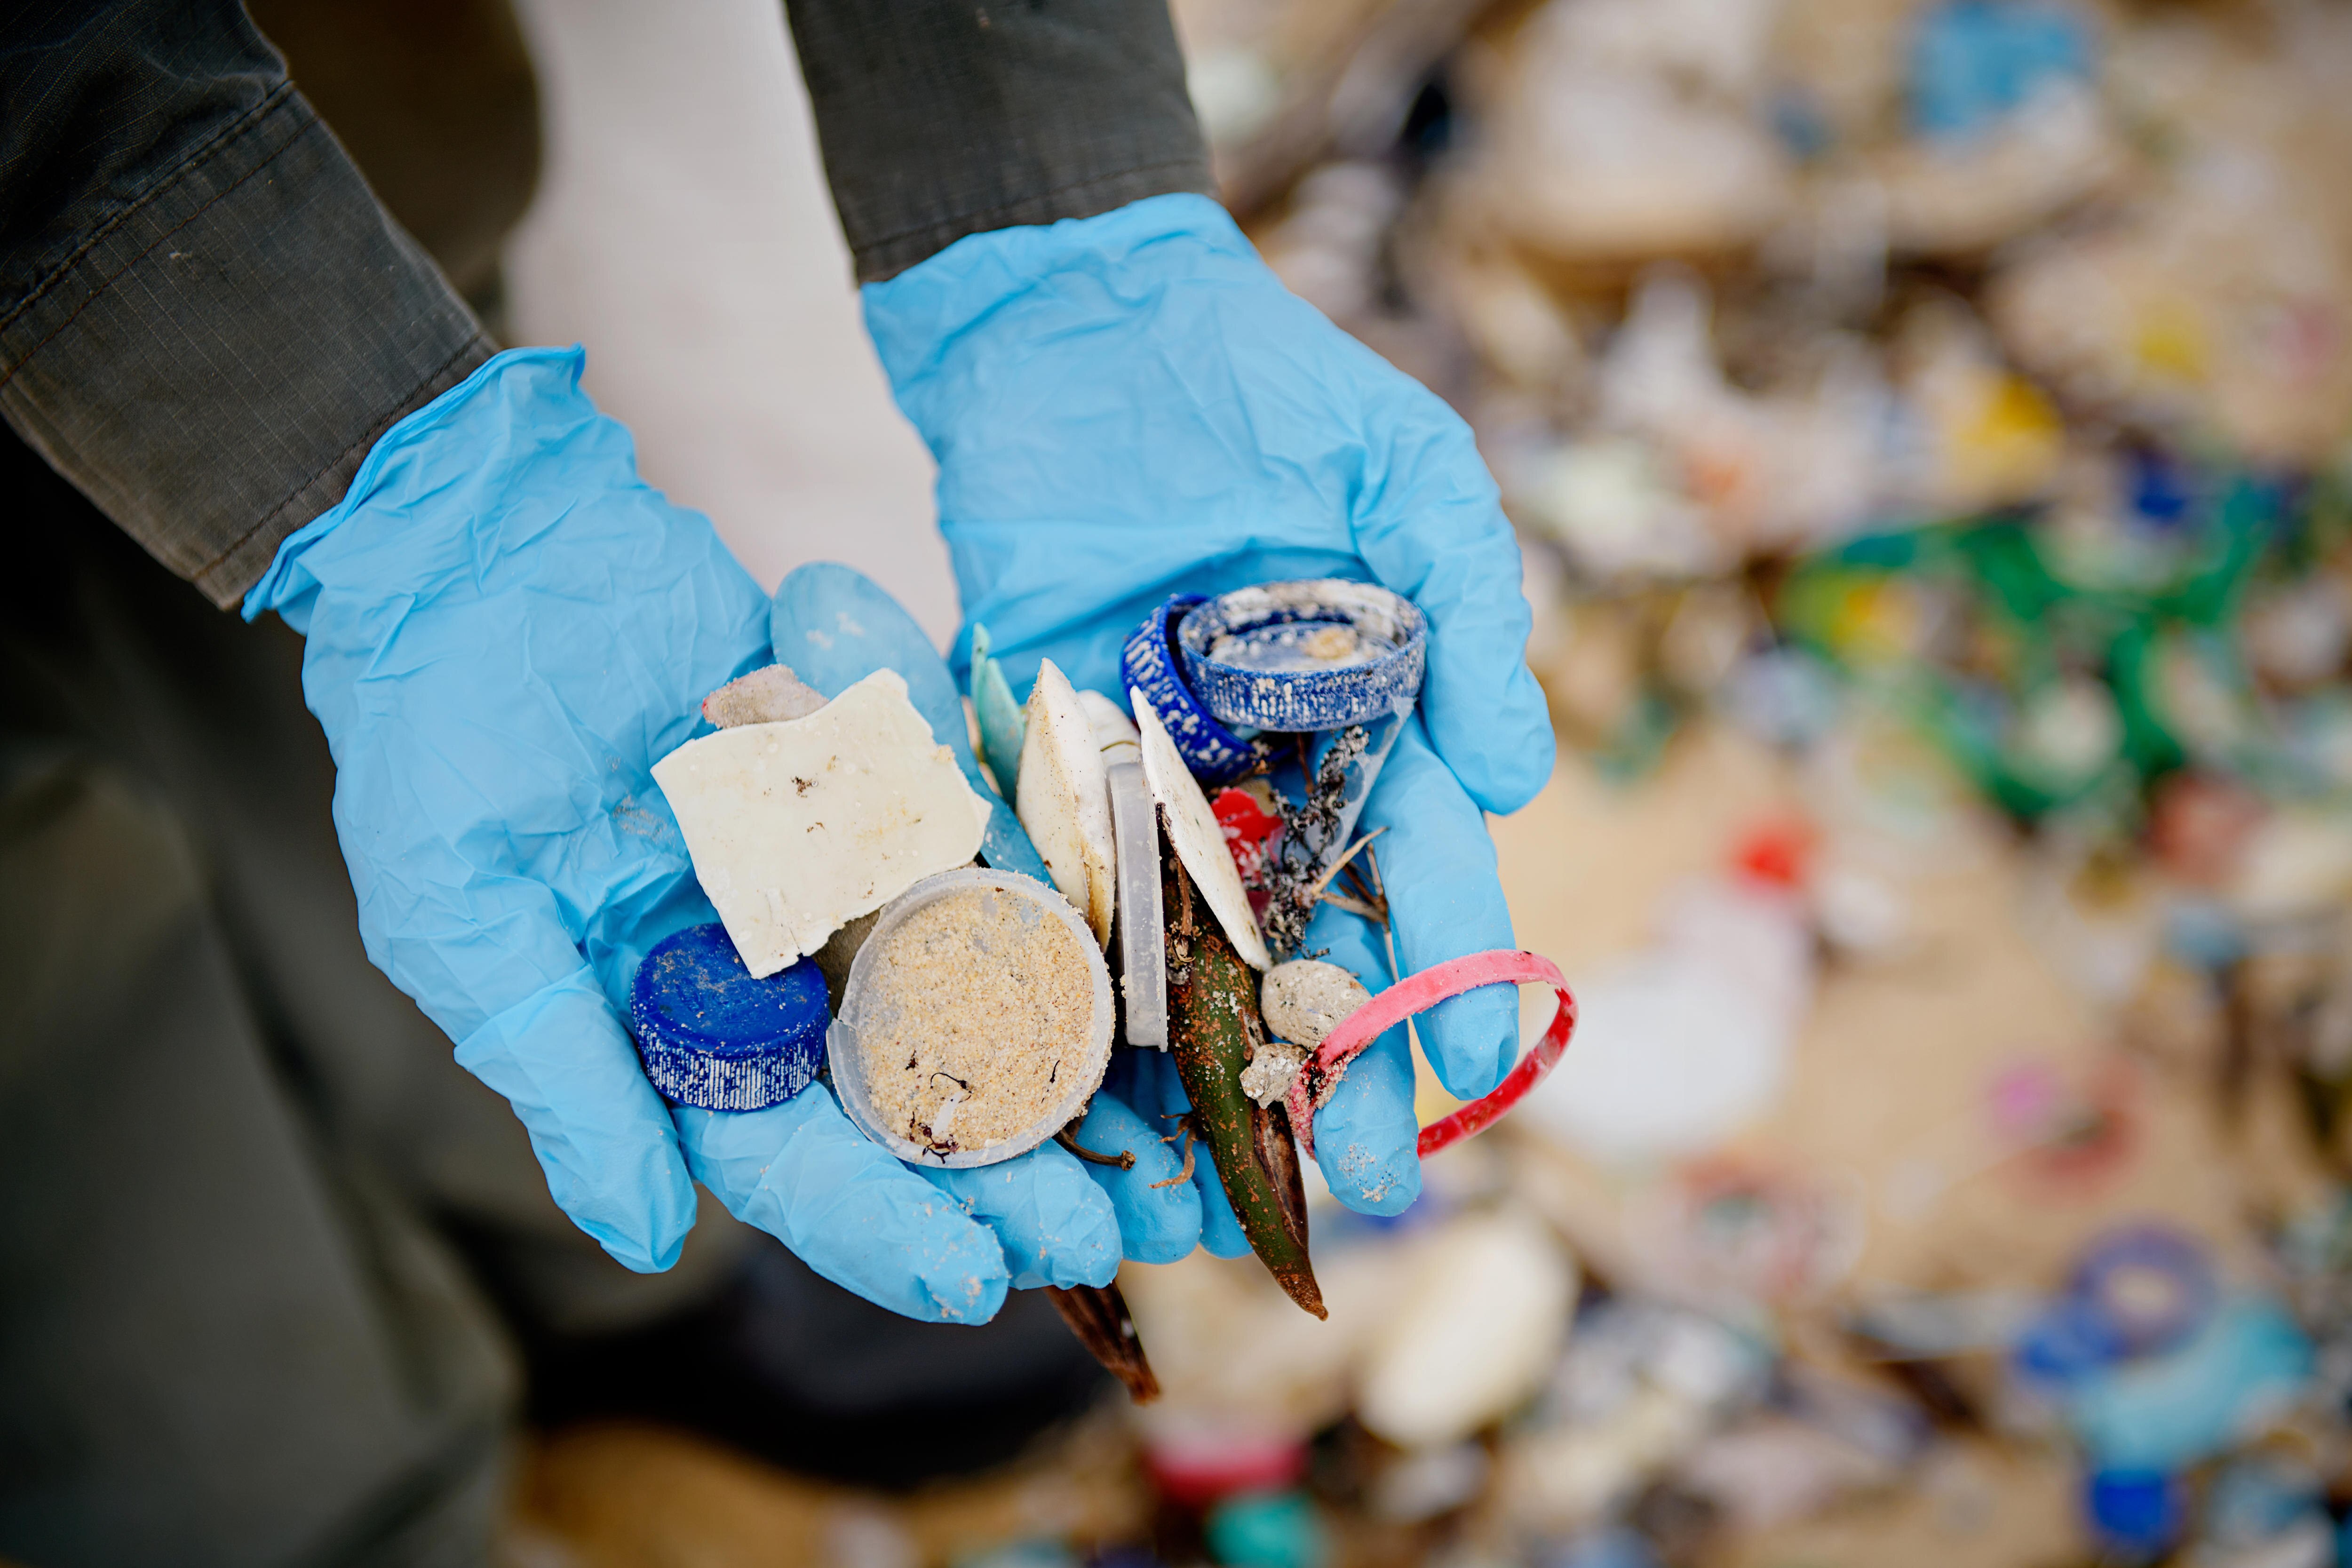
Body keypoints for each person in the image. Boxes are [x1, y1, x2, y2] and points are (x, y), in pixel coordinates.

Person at [0, 1, 1555, 1563]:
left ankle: (582, 1261)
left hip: (298, 121)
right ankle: (321, 1508)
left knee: (371, 724)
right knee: (52, 952)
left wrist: (1056, 188)